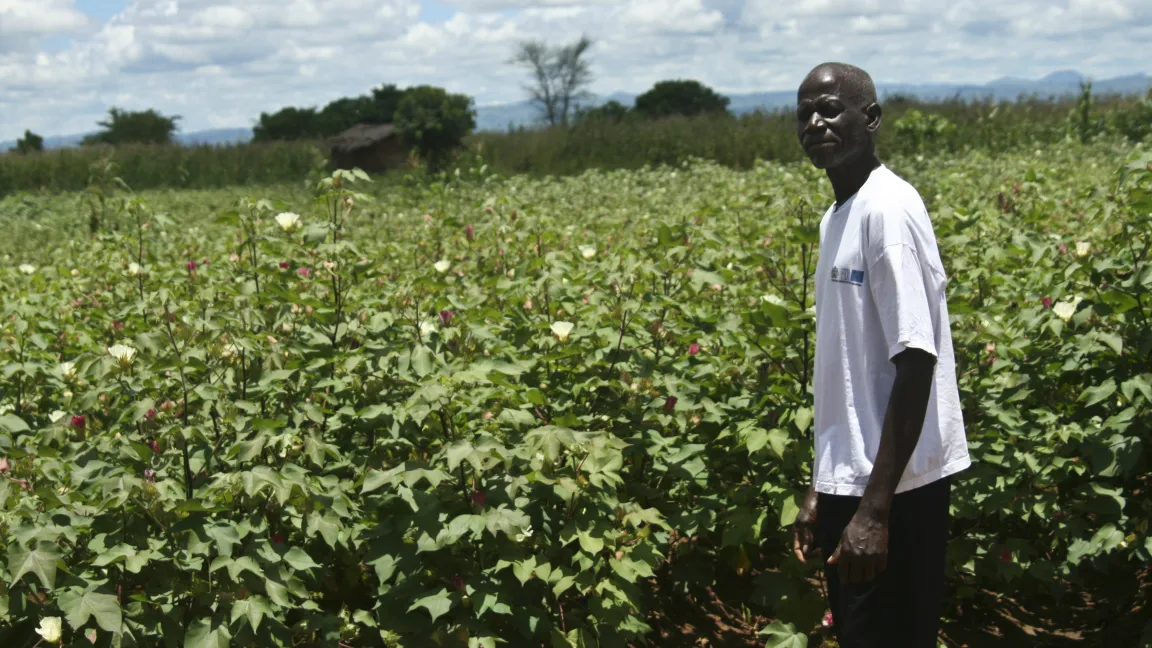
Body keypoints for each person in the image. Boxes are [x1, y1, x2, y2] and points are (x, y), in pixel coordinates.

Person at [790, 62, 972, 647]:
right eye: (805, 114)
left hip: (897, 492)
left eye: (831, 109)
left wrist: (873, 511)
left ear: (870, 118)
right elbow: (849, 371)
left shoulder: (887, 211)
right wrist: (824, 485)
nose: (816, 122)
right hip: (861, 484)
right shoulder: (837, 216)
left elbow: (916, 361)